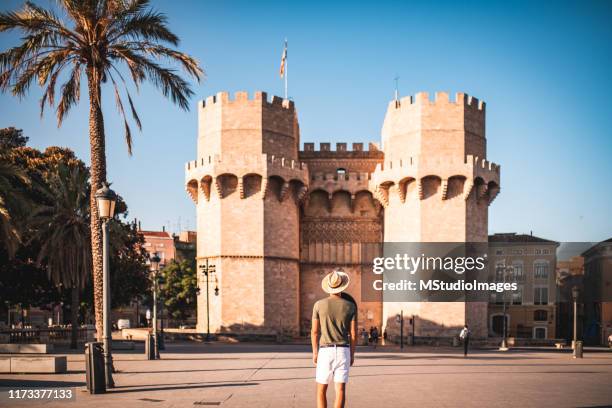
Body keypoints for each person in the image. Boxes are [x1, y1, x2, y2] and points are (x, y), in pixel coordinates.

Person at [311, 270, 357, 408]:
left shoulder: (319, 305)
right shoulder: (350, 306)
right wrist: (352, 354)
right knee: (340, 390)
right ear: (343, 286)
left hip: (325, 351)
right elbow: (353, 333)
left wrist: (315, 352)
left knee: (321, 390)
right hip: (343, 351)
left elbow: (314, 332)